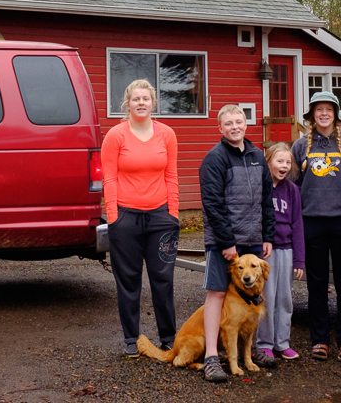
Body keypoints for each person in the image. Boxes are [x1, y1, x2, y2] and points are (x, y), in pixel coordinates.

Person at [198, 104, 277, 382]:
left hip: (254, 240)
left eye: (239, 121)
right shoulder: (214, 158)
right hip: (224, 243)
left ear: (246, 124)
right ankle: (210, 357)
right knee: (218, 294)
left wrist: (268, 234)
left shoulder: (257, 156)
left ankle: (249, 352)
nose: (235, 126)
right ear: (220, 128)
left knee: (253, 296)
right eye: (228, 123)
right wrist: (227, 242)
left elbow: (267, 199)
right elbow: (213, 205)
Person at [102, 79, 180, 358]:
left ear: (153, 102)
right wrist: (114, 216)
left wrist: (173, 214)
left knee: (163, 278)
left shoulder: (167, 134)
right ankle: (131, 339)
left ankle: (169, 337)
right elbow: (109, 177)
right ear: (127, 103)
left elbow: (171, 175)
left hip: (161, 217)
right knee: (129, 280)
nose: (141, 103)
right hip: (125, 217)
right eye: (136, 99)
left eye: (145, 99)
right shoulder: (115, 136)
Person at [291, 91, 341, 363]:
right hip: (311, 223)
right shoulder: (300, 147)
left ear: (336, 114)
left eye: (328, 109)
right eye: (318, 109)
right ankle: (320, 339)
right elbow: (293, 186)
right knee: (317, 285)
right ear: (312, 115)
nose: (323, 114)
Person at [256, 142, 305, 361]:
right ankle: (264, 343)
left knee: (284, 298)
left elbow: (297, 225)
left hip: (286, 250)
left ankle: (282, 342)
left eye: (288, 162)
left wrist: (299, 260)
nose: (284, 166)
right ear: (268, 163)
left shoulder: (292, 190)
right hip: (265, 251)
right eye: (279, 161)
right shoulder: (261, 186)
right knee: (266, 296)